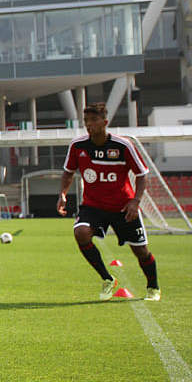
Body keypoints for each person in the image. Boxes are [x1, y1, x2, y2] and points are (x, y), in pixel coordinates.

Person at [58, 102, 160, 301]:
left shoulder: (123, 146)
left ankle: (153, 287)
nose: (89, 125)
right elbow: (68, 173)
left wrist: (135, 201)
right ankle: (107, 279)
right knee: (80, 232)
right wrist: (62, 193)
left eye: (94, 120)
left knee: (140, 251)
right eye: (86, 121)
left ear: (105, 122)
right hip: (93, 206)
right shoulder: (78, 146)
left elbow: (142, 174)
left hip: (122, 206)